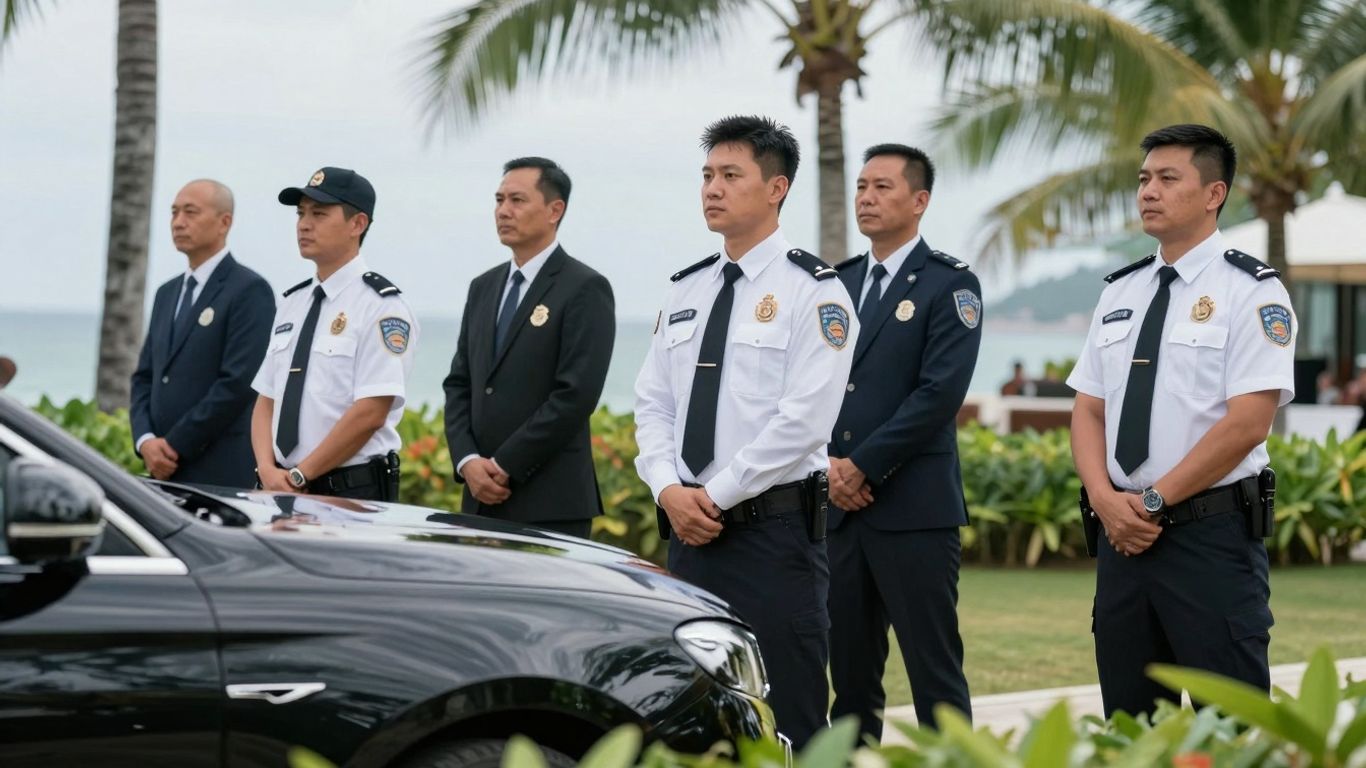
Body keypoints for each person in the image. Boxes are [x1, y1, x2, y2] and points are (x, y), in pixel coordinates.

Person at [633, 115, 856, 748]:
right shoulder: (686, 291)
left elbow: (806, 419)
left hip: (774, 538)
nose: (712, 188)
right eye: (707, 175)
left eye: (731, 175)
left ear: (777, 187)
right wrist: (668, 489)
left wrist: (715, 494)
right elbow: (652, 404)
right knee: (692, 713)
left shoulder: (814, 293)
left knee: (789, 714)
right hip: (688, 533)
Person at [1066, 124, 1294, 717]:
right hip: (1124, 541)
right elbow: (1089, 408)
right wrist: (1104, 499)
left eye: (1168, 178)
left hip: (1210, 542)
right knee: (1129, 729)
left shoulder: (1252, 292)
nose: (1148, 191)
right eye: (1144, 178)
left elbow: (1248, 423)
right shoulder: (1121, 291)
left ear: (1214, 193)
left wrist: (1154, 502)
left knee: (1233, 729)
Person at [826, 144, 979, 738]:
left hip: (914, 510)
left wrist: (862, 466)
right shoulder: (836, 284)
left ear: (919, 201)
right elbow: (808, 391)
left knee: (934, 674)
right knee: (851, 679)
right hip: (839, 511)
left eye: (882, 187)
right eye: (861, 186)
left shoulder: (950, 284)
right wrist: (830, 469)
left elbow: (939, 395)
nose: (866, 197)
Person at [442, 158, 616, 539]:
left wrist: (504, 464)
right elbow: (459, 383)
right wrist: (468, 461)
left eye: (517, 200)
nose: (503, 211)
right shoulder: (483, 287)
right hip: (478, 499)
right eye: (499, 199)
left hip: (550, 503)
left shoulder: (584, 287)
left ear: (555, 210)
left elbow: (576, 395)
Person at [249, 167, 418, 502]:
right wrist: (267, 471)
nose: (304, 224)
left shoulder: (382, 307)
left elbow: (371, 411)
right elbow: (266, 399)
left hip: (350, 492)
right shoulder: (292, 304)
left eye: (320, 214)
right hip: (277, 487)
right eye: (300, 214)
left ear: (357, 224)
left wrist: (301, 474)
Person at [130, 179, 274, 487]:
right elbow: (145, 376)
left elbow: (237, 383)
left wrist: (173, 446)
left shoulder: (249, 290)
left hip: (219, 469)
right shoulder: (166, 294)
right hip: (163, 470)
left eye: (190, 212)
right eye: (174, 212)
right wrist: (145, 441)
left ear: (224, 222)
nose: (178, 222)